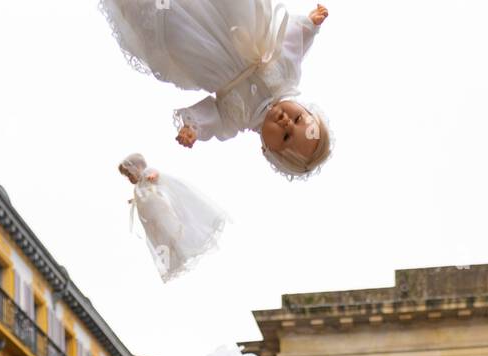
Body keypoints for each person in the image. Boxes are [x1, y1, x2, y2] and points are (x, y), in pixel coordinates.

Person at [101, 0, 333, 179]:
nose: (287, 122)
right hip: (234, 19)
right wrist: (310, 25)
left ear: (267, 149)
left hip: (200, 48)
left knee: (172, 23)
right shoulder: (287, 75)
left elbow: (214, 117)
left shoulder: (237, 119)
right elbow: (291, 42)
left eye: (285, 136)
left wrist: (193, 128)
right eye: (299, 118)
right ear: (305, 108)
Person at [119, 153, 227, 283]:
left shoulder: (147, 173)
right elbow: (142, 195)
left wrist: (153, 176)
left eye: (129, 174)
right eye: (127, 176)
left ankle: (181, 247)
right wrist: (135, 200)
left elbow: (156, 175)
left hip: (159, 211)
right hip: (151, 220)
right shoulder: (137, 187)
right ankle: (176, 254)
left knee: (170, 229)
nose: (129, 178)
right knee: (161, 238)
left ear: (138, 167)